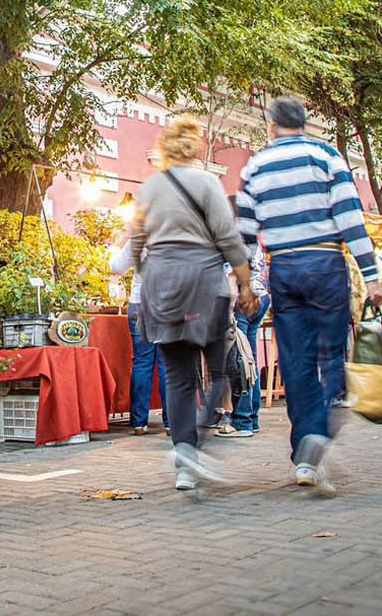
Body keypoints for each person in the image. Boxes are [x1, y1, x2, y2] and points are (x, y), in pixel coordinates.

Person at [237, 97, 382, 496]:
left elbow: (245, 235)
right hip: (326, 265)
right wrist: (371, 275)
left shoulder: (256, 166)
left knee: (296, 361)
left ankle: (304, 452)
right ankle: (317, 436)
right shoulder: (327, 157)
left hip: (283, 269)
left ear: (272, 125)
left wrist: (246, 284)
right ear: (303, 123)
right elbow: (351, 220)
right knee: (331, 355)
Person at [131, 116, 255, 492]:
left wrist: (153, 273)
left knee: (177, 377)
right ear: (195, 149)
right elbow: (227, 236)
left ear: (165, 150)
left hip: (161, 286)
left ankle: (184, 456)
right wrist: (246, 282)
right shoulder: (206, 183)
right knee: (219, 371)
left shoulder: (149, 188)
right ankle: (197, 440)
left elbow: (137, 243)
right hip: (205, 284)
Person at [109, 239, 168, 436]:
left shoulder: (138, 238)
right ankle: (171, 423)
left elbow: (117, 268)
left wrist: (114, 249)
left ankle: (139, 423)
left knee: (142, 362)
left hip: (139, 302)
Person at [220, 246, 269, 438]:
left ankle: (242, 420)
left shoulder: (235, 230)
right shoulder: (251, 229)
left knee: (239, 358)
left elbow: (236, 267)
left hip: (244, 298)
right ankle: (251, 418)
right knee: (249, 358)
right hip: (260, 295)